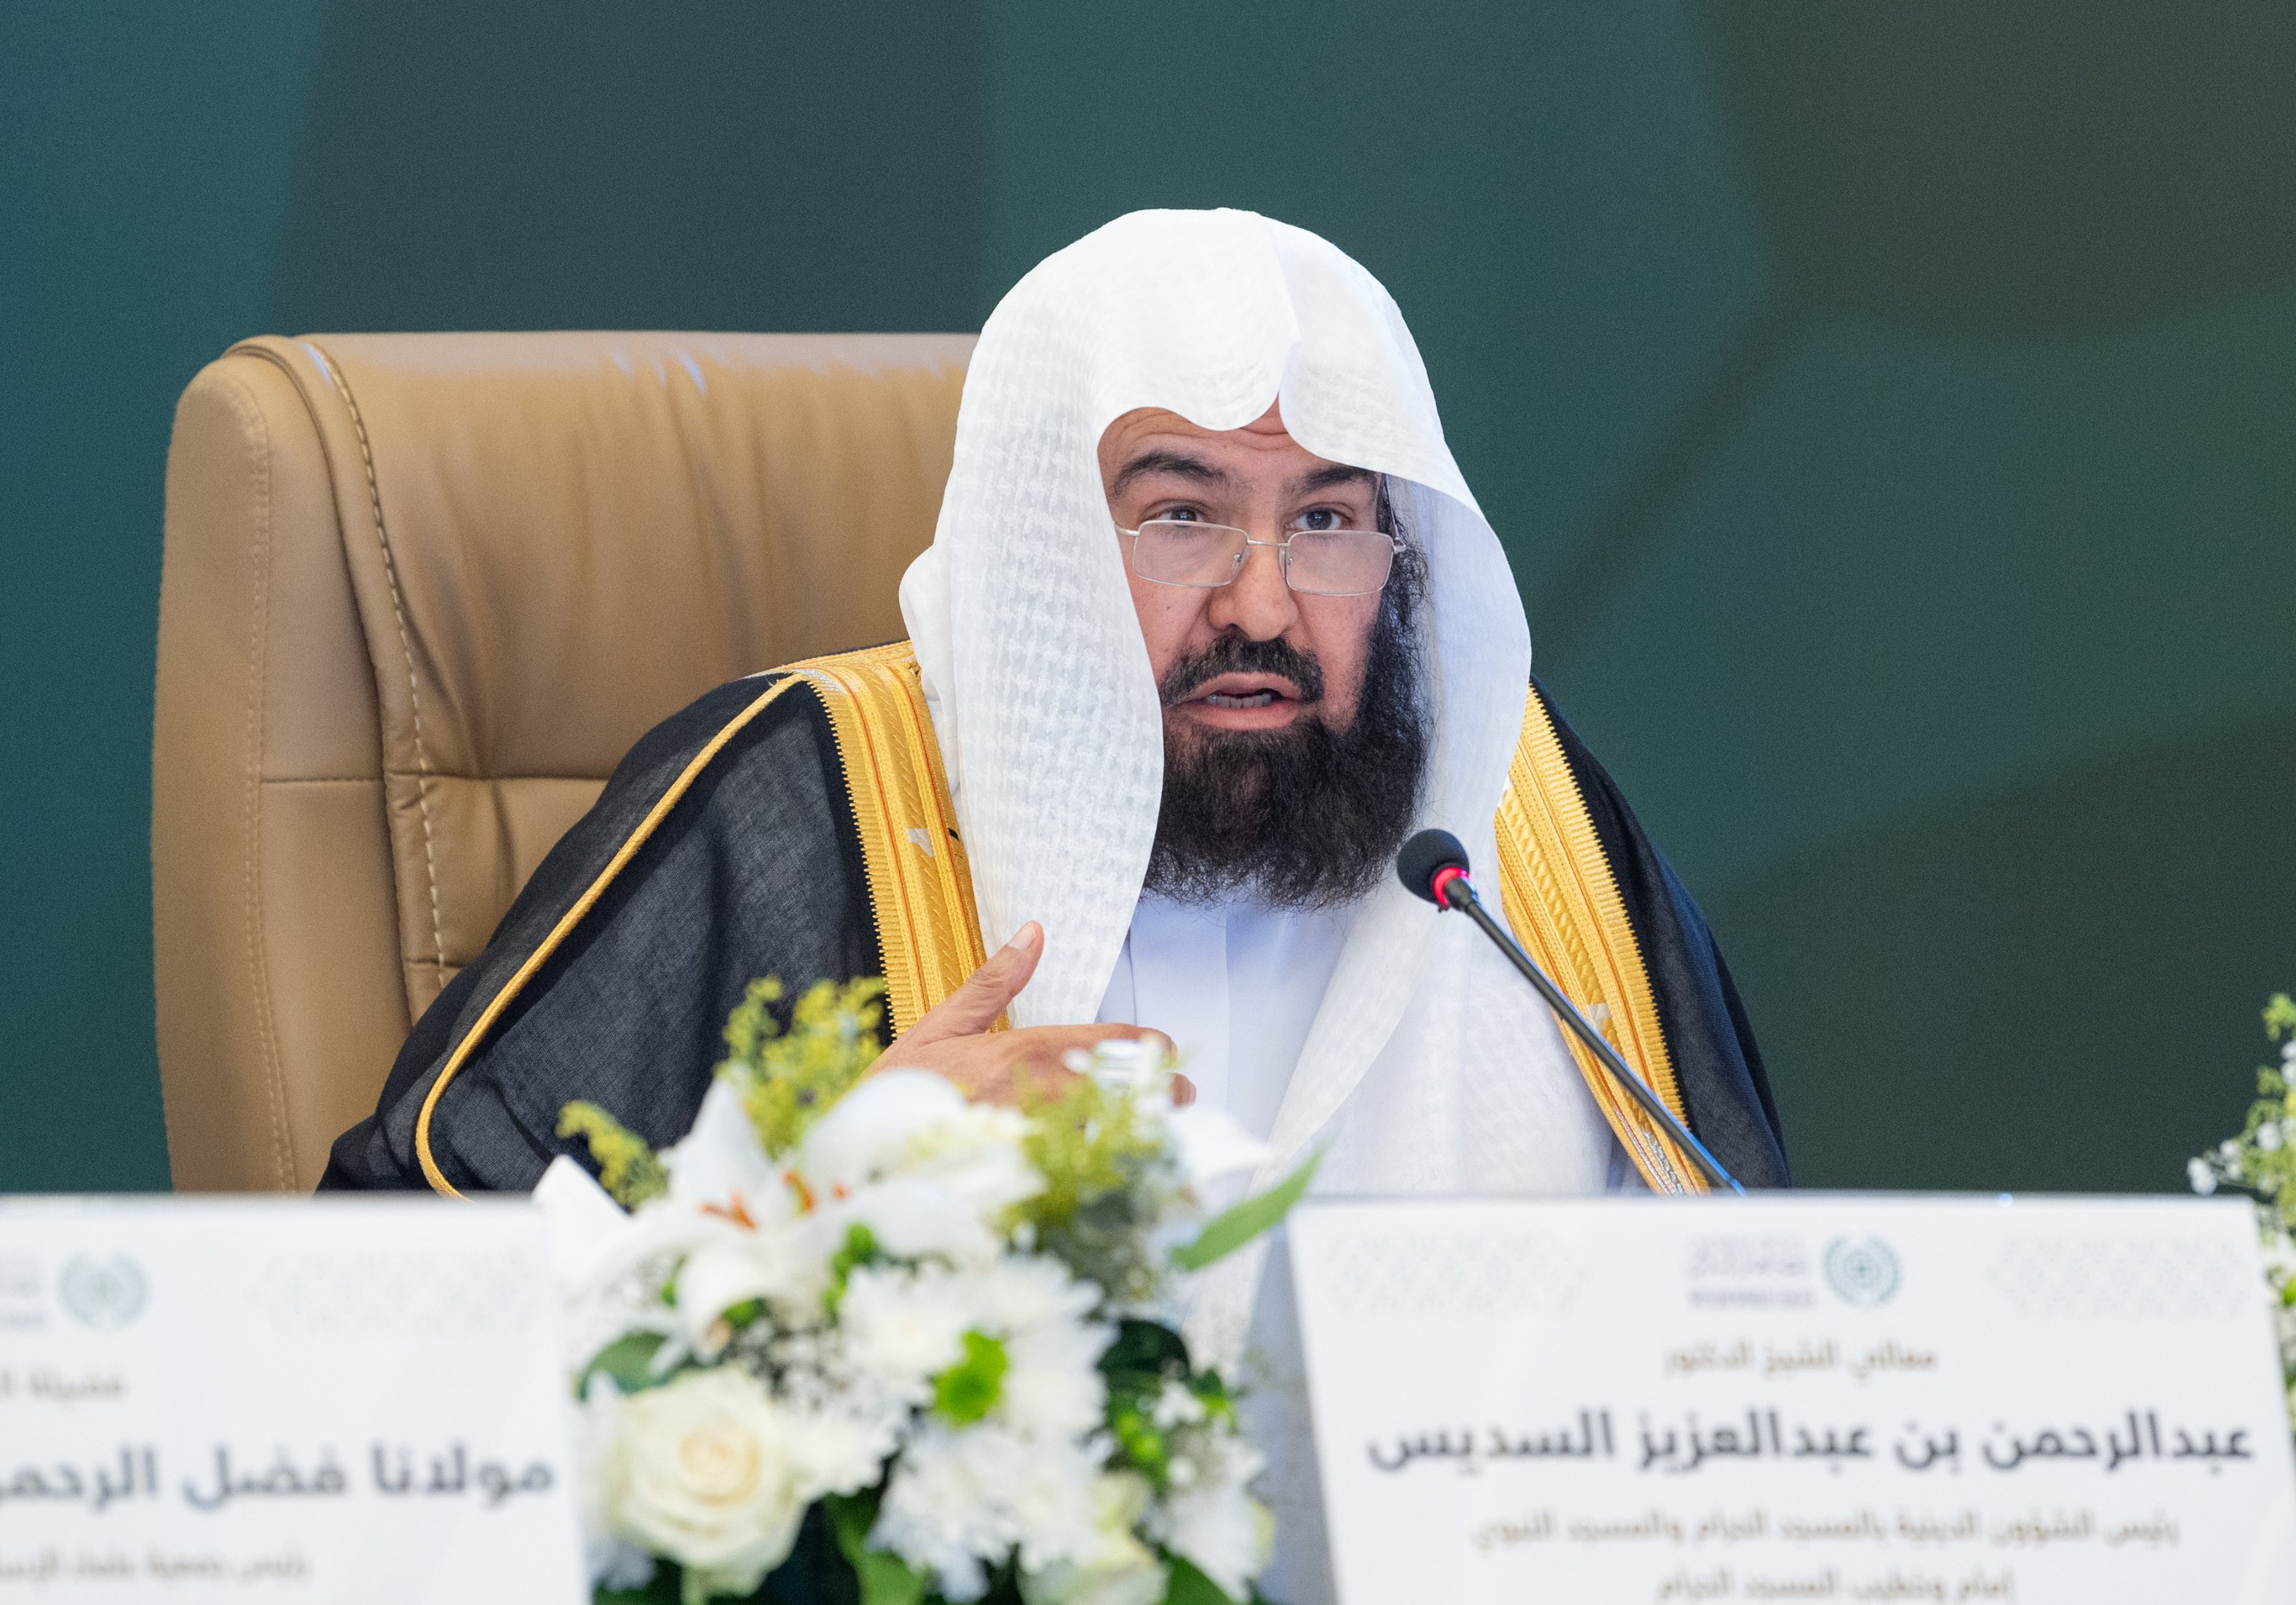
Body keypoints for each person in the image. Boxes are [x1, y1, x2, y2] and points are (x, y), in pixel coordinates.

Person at [322, 210, 1784, 1584]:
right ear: (1045, 543)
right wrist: (811, 1198)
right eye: (1179, 517)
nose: (1264, 606)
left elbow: (1750, 1346)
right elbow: (388, 1306)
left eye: (1329, 521)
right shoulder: (796, 798)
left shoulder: (1507, 845)